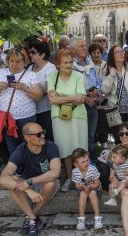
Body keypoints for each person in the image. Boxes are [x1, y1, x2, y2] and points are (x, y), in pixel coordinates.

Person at [0, 122, 61, 236]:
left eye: (43, 132)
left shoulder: (51, 146)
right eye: (38, 134)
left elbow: (55, 173)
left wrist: (29, 182)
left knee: (50, 183)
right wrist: (27, 189)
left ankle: (30, 217)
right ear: (27, 138)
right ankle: (33, 218)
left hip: (44, 181)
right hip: (27, 183)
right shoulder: (20, 151)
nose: (42, 136)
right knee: (13, 183)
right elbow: (3, 178)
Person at [0, 47, 43, 154]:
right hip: (7, 117)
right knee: (12, 148)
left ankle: (31, 169)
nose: (14, 64)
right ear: (8, 60)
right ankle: (17, 170)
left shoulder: (31, 75)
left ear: (25, 62)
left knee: (31, 145)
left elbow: (39, 96)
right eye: (11, 61)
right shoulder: (0, 73)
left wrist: (26, 88)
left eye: (18, 61)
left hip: (27, 117)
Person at [47, 48, 88, 193]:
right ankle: (70, 178)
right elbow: (52, 100)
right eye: (65, 62)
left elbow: (81, 99)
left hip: (78, 115)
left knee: (79, 147)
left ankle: (83, 178)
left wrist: (60, 97)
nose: (69, 65)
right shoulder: (52, 76)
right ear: (58, 64)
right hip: (59, 116)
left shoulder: (78, 76)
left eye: (71, 62)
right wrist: (72, 97)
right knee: (65, 148)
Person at [70, 36, 101, 160]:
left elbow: (97, 80)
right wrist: (85, 98)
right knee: (80, 137)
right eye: (81, 46)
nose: (85, 48)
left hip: (92, 103)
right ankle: (80, 163)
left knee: (90, 136)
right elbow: (70, 87)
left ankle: (92, 164)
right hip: (78, 105)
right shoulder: (70, 64)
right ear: (72, 49)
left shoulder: (89, 62)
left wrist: (97, 90)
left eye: (84, 45)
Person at [28, 39, 56, 142]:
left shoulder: (51, 68)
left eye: (33, 52)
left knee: (48, 136)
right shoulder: (30, 68)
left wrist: (31, 88)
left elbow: (49, 88)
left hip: (47, 110)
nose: (30, 55)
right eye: (30, 52)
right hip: (32, 110)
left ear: (42, 54)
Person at [71, 148, 103, 230]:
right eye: (83, 162)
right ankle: (81, 218)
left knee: (92, 193)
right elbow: (77, 186)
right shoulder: (75, 172)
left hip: (95, 188)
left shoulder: (93, 169)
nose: (86, 163)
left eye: (87, 160)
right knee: (83, 193)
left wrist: (91, 187)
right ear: (76, 164)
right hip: (82, 189)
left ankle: (97, 217)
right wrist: (82, 187)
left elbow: (97, 183)